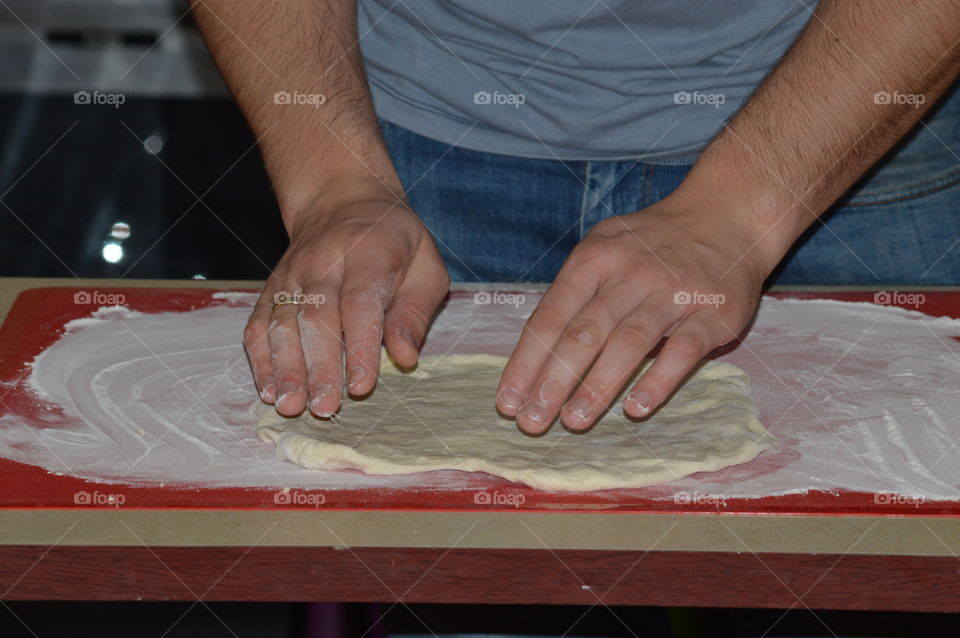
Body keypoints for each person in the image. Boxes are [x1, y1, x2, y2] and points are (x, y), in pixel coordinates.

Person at [192, 0, 960, 433]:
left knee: (867, 549)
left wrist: (740, 212)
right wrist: (335, 182)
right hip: (420, 131)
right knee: (458, 567)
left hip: (850, 121)